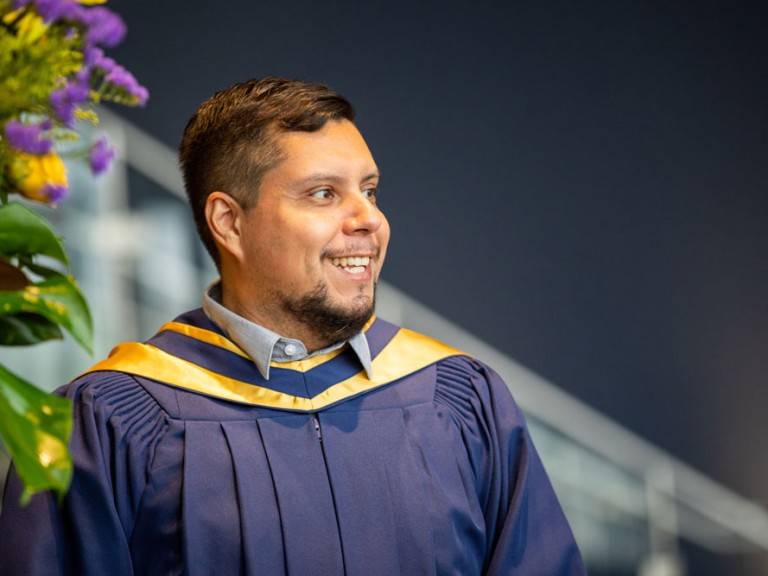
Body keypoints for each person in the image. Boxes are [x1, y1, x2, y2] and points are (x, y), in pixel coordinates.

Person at [0, 77, 586, 575]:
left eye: (371, 191)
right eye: (324, 194)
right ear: (229, 222)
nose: (371, 220)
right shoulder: (110, 421)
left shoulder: (460, 400)